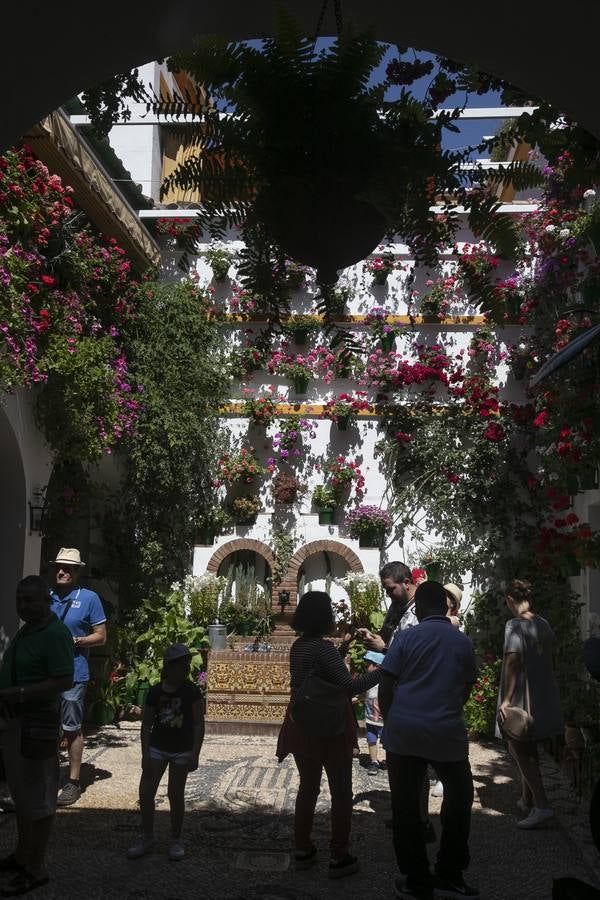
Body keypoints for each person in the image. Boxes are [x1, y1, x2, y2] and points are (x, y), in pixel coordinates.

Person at [379, 581, 479, 900]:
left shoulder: (406, 638)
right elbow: (466, 686)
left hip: (405, 730)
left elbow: (386, 682)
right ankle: (450, 872)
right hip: (445, 730)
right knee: (461, 797)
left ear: (419, 609)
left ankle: (416, 880)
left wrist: (393, 717)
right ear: (445, 607)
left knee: (406, 807)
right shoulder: (461, 642)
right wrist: (448, 708)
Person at [276, 591, 380, 879]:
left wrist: (344, 647)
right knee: (341, 792)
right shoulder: (321, 649)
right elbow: (349, 686)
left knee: (307, 788)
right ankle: (339, 855)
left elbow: (319, 672)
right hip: (329, 726)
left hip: (301, 722)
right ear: (324, 617)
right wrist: (387, 669)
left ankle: (303, 848)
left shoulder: (299, 646)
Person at [0, 576, 74, 897]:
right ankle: (21, 856)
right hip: (16, 722)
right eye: (20, 599)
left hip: (37, 724)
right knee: (23, 796)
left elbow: (62, 680)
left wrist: (17, 693)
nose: (24, 605)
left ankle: (36, 868)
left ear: (47, 601)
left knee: (40, 798)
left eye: (30, 600)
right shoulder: (27, 630)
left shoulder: (55, 634)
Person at [127, 644, 205, 861]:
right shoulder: (154, 692)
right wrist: (144, 753)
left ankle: (176, 838)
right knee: (146, 792)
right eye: (182, 664)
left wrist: (195, 753)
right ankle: (147, 836)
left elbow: (199, 723)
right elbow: (146, 725)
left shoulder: (192, 692)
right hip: (157, 748)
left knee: (175, 794)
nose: (186, 668)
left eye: (186, 663)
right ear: (169, 667)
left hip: (182, 749)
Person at [496, 579, 563, 830]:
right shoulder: (543, 624)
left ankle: (542, 806)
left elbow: (512, 662)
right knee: (530, 747)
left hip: (522, 696)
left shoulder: (515, 625)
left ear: (510, 600)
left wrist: (506, 699)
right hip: (543, 692)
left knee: (520, 748)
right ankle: (527, 799)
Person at [49, 548, 106, 807]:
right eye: (59, 567)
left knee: (71, 728)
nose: (62, 571)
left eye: (68, 568)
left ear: (77, 571)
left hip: (73, 673)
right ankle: (47, 779)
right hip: (46, 674)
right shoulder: (46, 597)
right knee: (46, 727)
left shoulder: (89, 598)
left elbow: (101, 636)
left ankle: (72, 782)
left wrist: (77, 640)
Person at [357, 561, 416, 652]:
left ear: (406, 583)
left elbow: (414, 653)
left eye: (391, 589)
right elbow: (388, 635)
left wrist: (384, 649)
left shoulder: (422, 608)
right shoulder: (396, 604)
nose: (388, 594)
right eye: (386, 590)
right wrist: (372, 637)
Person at [363, 651, 385, 775]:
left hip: (383, 720)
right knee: (371, 739)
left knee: (386, 741)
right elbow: (364, 694)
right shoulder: (367, 681)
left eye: (367, 666)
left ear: (377, 666)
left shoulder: (385, 682)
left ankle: (391, 760)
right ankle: (374, 761)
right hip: (369, 718)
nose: (365, 668)